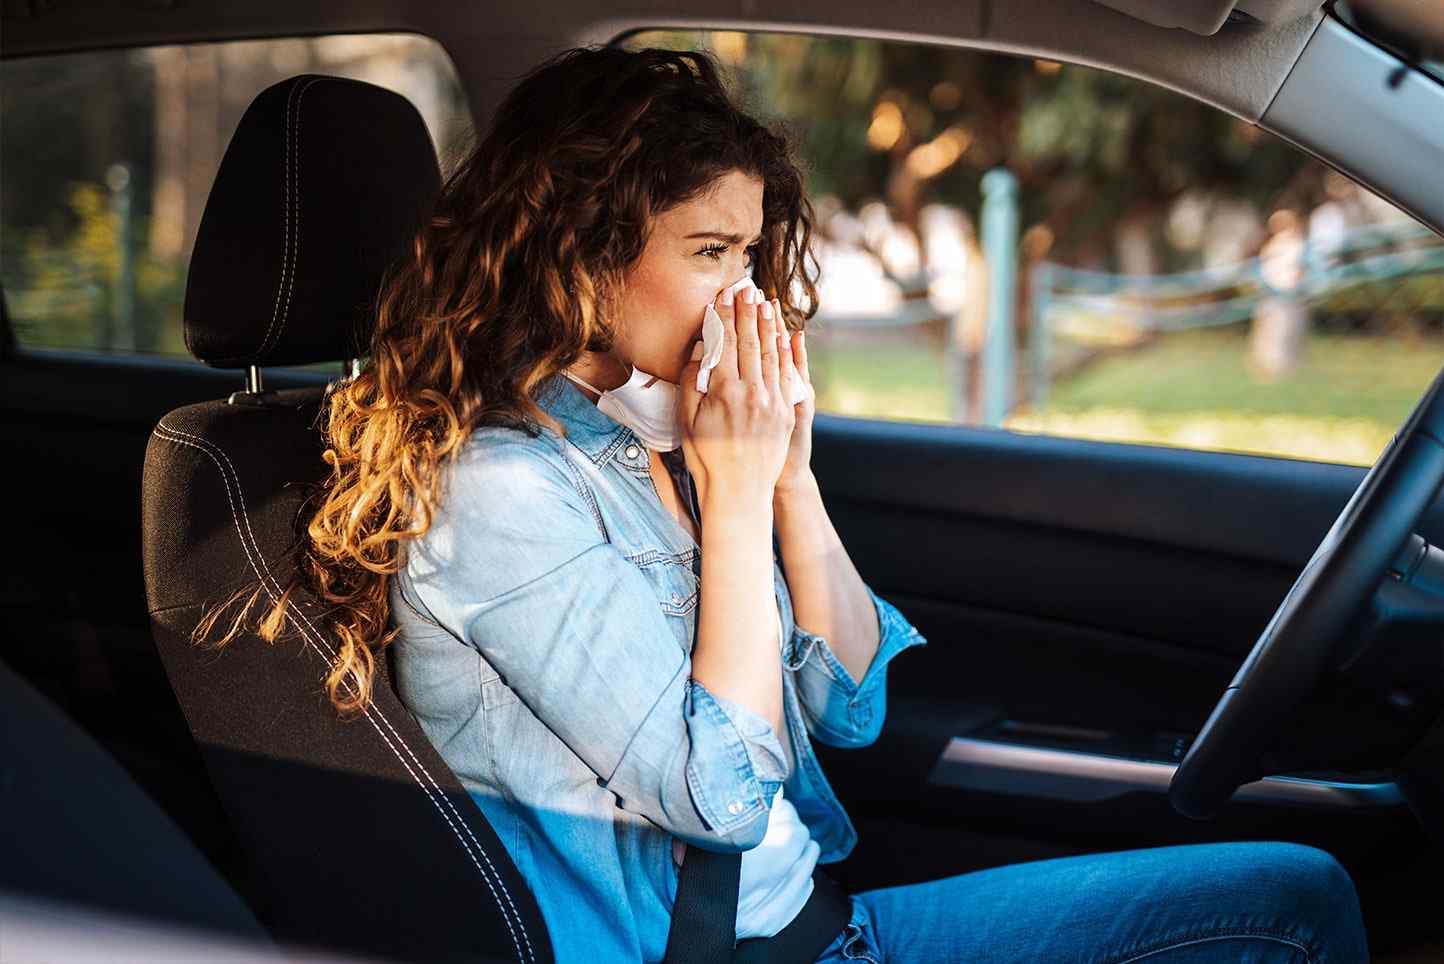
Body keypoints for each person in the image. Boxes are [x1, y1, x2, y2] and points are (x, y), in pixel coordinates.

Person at [220, 44, 1370, 964]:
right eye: (709, 251)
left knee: (1291, 888)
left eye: (752, 254)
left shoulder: (649, 428)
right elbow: (719, 797)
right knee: (1291, 912)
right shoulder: (499, 488)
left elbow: (851, 700)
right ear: (580, 250)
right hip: (740, 950)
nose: (745, 295)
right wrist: (729, 501)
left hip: (821, 921)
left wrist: (789, 478)